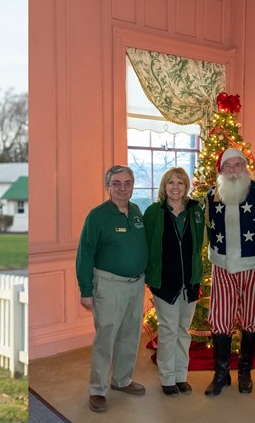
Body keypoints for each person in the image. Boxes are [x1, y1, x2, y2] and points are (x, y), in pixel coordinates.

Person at [204, 147, 255, 396]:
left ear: (245, 167)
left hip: (253, 266)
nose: (233, 171)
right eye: (228, 166)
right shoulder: (212, 194)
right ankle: (221, 374)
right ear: (221, 170)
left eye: (237, 165)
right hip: (222, 266)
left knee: (252, 318)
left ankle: (244, 372)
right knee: (220, 319)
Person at [77, 165, 148, 413]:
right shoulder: (97, 216)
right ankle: (97, 389)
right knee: (106, 338)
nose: (122, 188)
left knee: (130, 335)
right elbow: (85, 253)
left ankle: (122, 380)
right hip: (109, 285)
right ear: (107, 186)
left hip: (136, 285)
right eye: (116, 183)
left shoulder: (137, 212)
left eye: (127, 183)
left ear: (132, 185)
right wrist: (86, 290)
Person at [142, 167, 204, 397]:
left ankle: (181, 376)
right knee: (168, 331)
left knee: (183, 331)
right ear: (164, 187)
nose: (175, 187)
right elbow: (146, 245)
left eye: (180, 183)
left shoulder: (195, 211)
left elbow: (200, 244)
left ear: (186, 187)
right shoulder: (153, 212)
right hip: (164, 283)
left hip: (189, 282)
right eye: (171, 183)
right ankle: (167, 378)